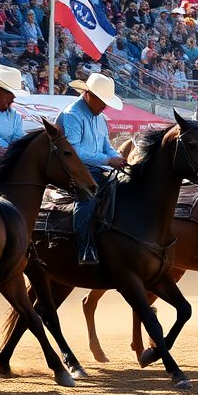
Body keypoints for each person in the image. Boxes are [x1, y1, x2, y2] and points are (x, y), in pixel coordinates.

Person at [57, 73, 128, 265]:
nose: (105, 106)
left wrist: (115, 157)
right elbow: (73, 151)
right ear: (88, 95)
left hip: (95, 168)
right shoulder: (73, 114)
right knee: (88, 195)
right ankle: (84, 247)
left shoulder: (99, 117)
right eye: (102, 101)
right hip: (73, 170)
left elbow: (106, 144)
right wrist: (107, 160)